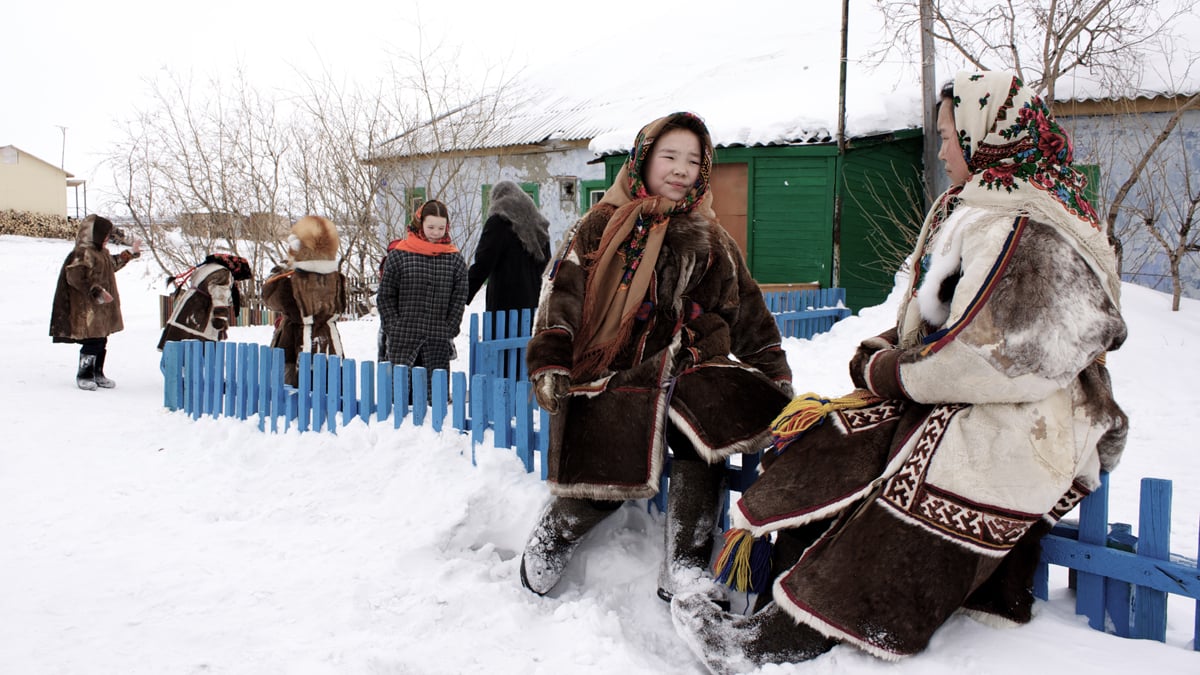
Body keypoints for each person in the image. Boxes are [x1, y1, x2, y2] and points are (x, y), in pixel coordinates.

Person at [669, 71, 1129, 674]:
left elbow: (995, 355)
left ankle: (787, 636)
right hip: (957, 389)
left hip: (1031, 412)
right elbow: (939, 322)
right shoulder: (975, 205)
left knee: (918, 489)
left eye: (948, 137)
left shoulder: (1038, 232)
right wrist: (888, 349)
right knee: (834, 440)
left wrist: (893, 372)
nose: (940, 151)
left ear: (988, 134)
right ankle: (773, 601)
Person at [519, 112, 793, 602]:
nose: (680, 168)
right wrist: (551, 357)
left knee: (703, 438)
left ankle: (685, 565)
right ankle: (558, 531)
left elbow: (747, 312)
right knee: (608, 460)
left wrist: (775, 373)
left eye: (693, 160)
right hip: (618, 369)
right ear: (644, 160)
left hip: (691, 366)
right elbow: (564, 294)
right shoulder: (598, 226)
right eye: (669, 156)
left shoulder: (714, 240)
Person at [49, 214, 142, 390]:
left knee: (102, 339)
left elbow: (112, 265)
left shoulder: (101, 253)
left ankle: (98, 373)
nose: (107, 239)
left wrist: (130, 254)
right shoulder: (82, 253)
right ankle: (84, 374)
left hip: (102, 308)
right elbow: (75, 277)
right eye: (105, 235)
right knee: (92, 341)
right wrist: (97, 292)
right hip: (87, 308)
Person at [376, 199, 469, 376]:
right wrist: (394, 327)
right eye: (431, 227)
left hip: (437, 339)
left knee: (434, 395)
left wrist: (450, 327)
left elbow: (459, 296)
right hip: (403, 337)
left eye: (441, 228)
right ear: (420, 224)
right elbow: (386, 295)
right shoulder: (400, 254)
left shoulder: (454, 258)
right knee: (403, 394)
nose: (436, 233)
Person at [261, 215, 347, 387]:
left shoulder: (289, 278)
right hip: (328, 338)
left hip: (293, 340)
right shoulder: (336, 277)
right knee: (330, 387)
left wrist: (279, 271)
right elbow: (340, 307)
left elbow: (270, 299)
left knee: (291, 389)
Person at [467, 180, 551, 312]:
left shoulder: (498, 223)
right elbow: (547, 269)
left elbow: (482, 265)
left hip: (505, 308)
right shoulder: (539, 226)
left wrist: (460, 296)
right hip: (535, 308)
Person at [157, 253, 253, 350]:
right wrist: (220, 316)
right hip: (200, 314)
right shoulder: (224, 273)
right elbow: (220, 295)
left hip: (187, 307)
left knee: (176, 353)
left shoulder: (208, 267)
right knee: (197, 355)